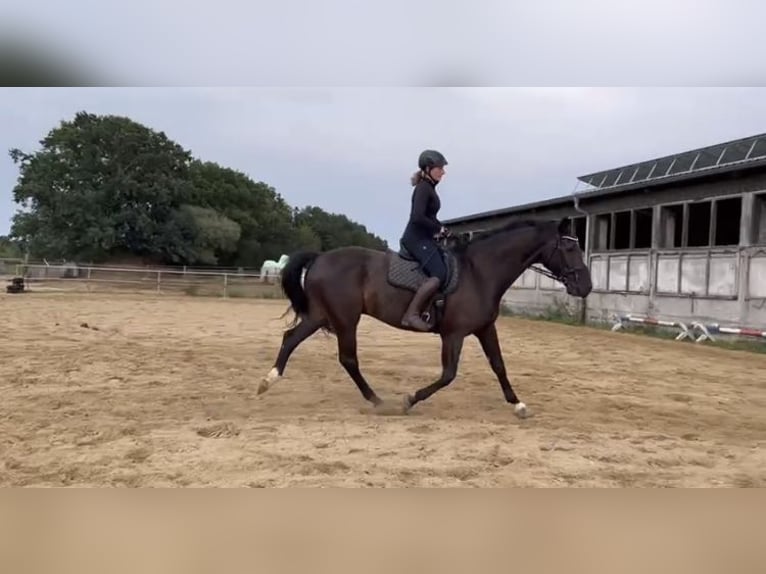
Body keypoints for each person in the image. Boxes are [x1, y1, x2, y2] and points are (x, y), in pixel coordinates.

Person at [399, 149, 451, 332]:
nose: (443, 172)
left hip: (424, 238)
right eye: (440, 168)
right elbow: (417, 217)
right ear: (428, 168)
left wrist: (443, 229)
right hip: (415, 239)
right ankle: (411, 315)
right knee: (439, 272)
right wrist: (438, 228)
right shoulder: (423, 188)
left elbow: (428, 217)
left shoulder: (429, 188)